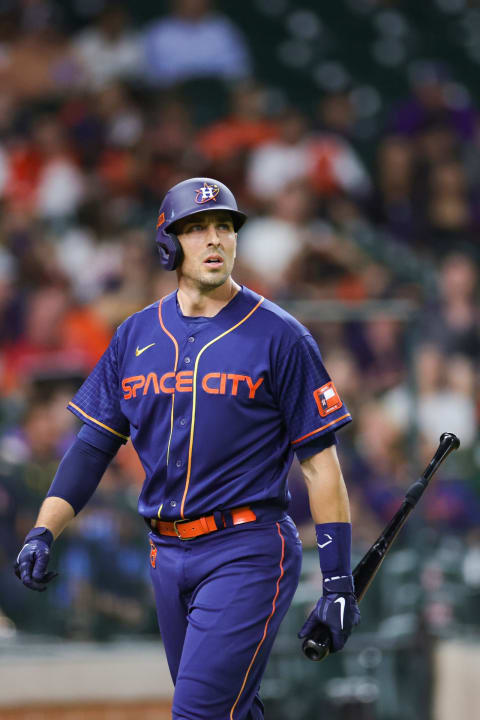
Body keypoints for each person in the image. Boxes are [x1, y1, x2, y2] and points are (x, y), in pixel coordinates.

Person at [15, 177, 360, 719]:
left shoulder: (281, 336)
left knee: (197, 714)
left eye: (224, 226)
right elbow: (92, 447)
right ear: (168, 245)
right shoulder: (134, 335)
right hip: (165, 554)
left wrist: (338, 580)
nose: (214, 239)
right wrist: (43, 529)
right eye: (196, 229)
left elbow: (321, 468)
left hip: (246, 550)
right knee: (230, 712)